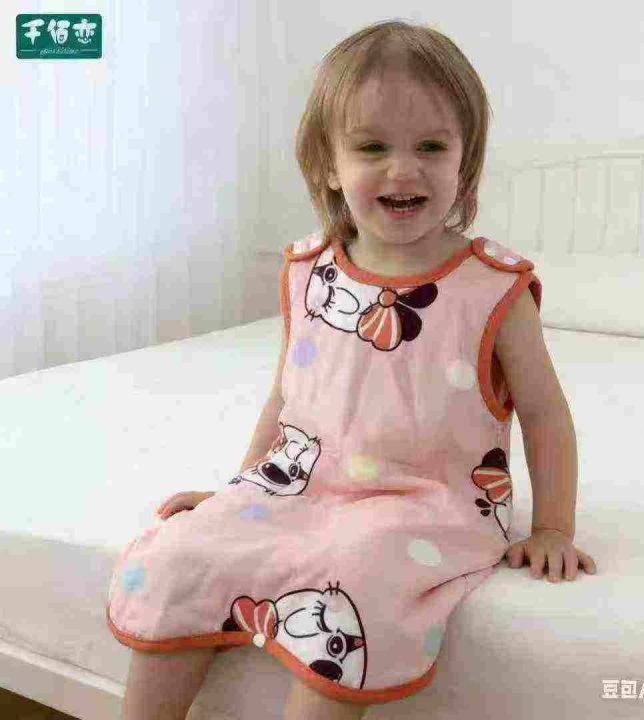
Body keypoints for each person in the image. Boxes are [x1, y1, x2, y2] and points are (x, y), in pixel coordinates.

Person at [107, 18, 598, 720]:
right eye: (372, 147)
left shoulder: (494, 290)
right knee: (181, 555)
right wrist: (239, 488)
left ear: (464, 163)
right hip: (303, 483)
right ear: (328, 166)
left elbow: (546, 416)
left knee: (357, 584)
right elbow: (289, 395)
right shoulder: (309, 271)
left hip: (427, 501)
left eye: (431, 146)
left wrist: (553, 527)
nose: (403, 169)